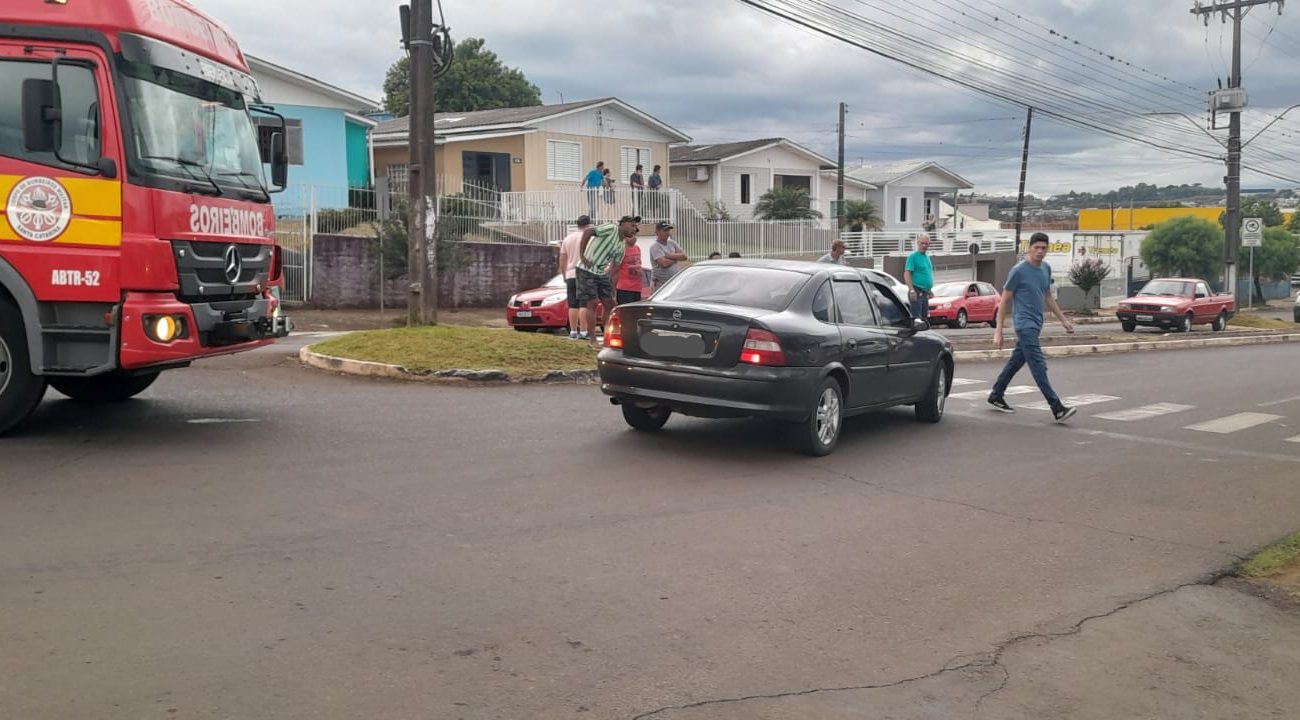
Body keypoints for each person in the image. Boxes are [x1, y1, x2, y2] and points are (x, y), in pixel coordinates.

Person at [987, 232, 1077, 423]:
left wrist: (1063, 320)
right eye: (1036, 247)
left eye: (1043, 248)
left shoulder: (1045, 268)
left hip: (1036, 324)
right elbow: (1003, 301)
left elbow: (1048, 296)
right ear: (1029, 248)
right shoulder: (1018, 271)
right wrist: (998, 331)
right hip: (1024, 325)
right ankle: (1057, 408)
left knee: (1016, 361)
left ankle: (996, 394)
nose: (1040, 251)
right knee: (1038, 366)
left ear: (1047, 249)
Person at [576, 214, 638, 348]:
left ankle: (607, 338)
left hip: (601, 273)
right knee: (592, 302)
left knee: (610, 304)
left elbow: (615, 270)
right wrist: (582, 255)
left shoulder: (622, 246)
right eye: (632, 225)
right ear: (622, 224)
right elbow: (588, 232)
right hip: (586, 269)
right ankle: (592, 339)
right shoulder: (611, 229)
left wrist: (612, 289)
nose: (635, 229)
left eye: (636, 228)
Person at [557, 215, 592, 339]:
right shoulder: (590, 237)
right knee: (584, 304)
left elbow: (562, 257)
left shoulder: (568, 238)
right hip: (584, 272)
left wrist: (564, 274)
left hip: (570, 273)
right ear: (588, 225)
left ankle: (572, 331)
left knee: (573, 305)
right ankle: (583, 331)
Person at [649, 220, 687, 290]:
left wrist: (669, 255)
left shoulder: (672, 243)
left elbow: (684, 256)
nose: (668, 233)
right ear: (657, 231)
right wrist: (677, 257)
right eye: (665, 230)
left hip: (674, 283)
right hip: (662, 285)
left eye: (668, 230)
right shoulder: (655, 247)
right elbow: (664, 263)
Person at [904, 233, 934, 320]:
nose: (924, 245)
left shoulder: (927, 257)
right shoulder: (913, 256)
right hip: (916, 291)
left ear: (929, 244)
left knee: (924, 319)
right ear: (918, 243)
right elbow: (907, 273)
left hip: (925, 293)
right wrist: (912, 290)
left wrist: (929, 290)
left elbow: (926, 274)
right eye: (922, 243)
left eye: (926, 243)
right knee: (917, 320)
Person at [614, 227, 643, 305]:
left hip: (637, 288)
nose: (634, 237)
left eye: (635, 235)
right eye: (631, 235)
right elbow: (614, 270)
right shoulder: (621, 250)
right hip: (624, 289)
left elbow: (639, 263)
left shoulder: (637, 248)